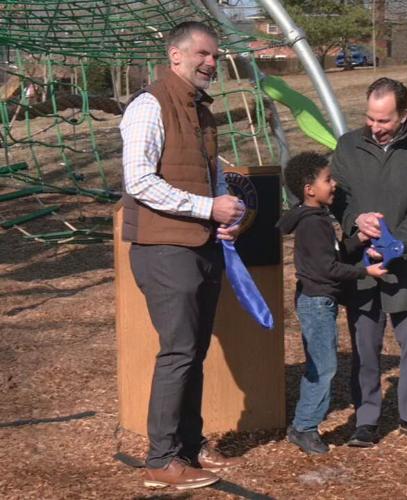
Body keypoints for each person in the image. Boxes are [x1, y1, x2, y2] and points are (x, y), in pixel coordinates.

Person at [120, 21, 245, 489]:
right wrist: (207, 207)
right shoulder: (149, 105)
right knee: (177, 351)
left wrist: (225, 214)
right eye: (202, 54)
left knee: (192, 351)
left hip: (200, 245)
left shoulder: (202, 111)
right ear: (175, 55)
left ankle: (189, 449)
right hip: (163, 248)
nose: (211, 62)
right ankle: (160, 459)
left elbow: (208, 179)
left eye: (215, 55)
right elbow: (139, 180)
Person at [330, 77, 407, 447]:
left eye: (384, 120)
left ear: (404, 115)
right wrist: (355, 222)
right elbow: (338, 198)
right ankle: (366, 419)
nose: (375, 127)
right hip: (362, 264)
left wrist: (395, 243)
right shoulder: (347, 146)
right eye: (371, 119)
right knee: (365, 347)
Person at [276, 152, 387, 455]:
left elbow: (334, 256)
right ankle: (304, 427)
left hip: (319, 301)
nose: (334, 184)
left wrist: (360, 239)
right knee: (324, 367)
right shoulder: (313, 224)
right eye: (328, 179)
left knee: (320, 364)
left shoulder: (316, 218)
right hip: (316, 303)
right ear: (309, 189)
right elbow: (329, 268)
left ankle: (304, 424)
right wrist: (367, 271)